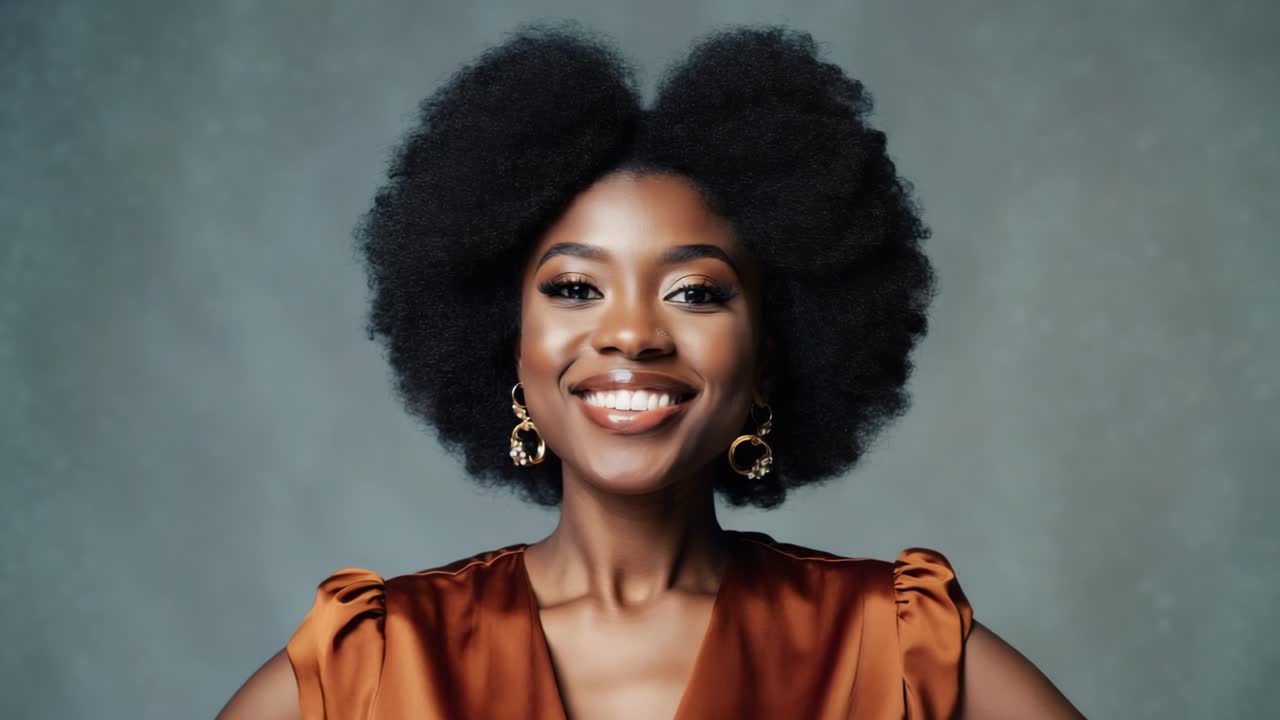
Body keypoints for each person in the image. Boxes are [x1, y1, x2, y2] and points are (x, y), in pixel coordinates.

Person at [218, 24, 1083, 719]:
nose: (631, 333)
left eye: (696, 293)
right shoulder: (372, 670)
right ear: (505, 341)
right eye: (575, 287)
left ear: (773, 348)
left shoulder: (895, 653)